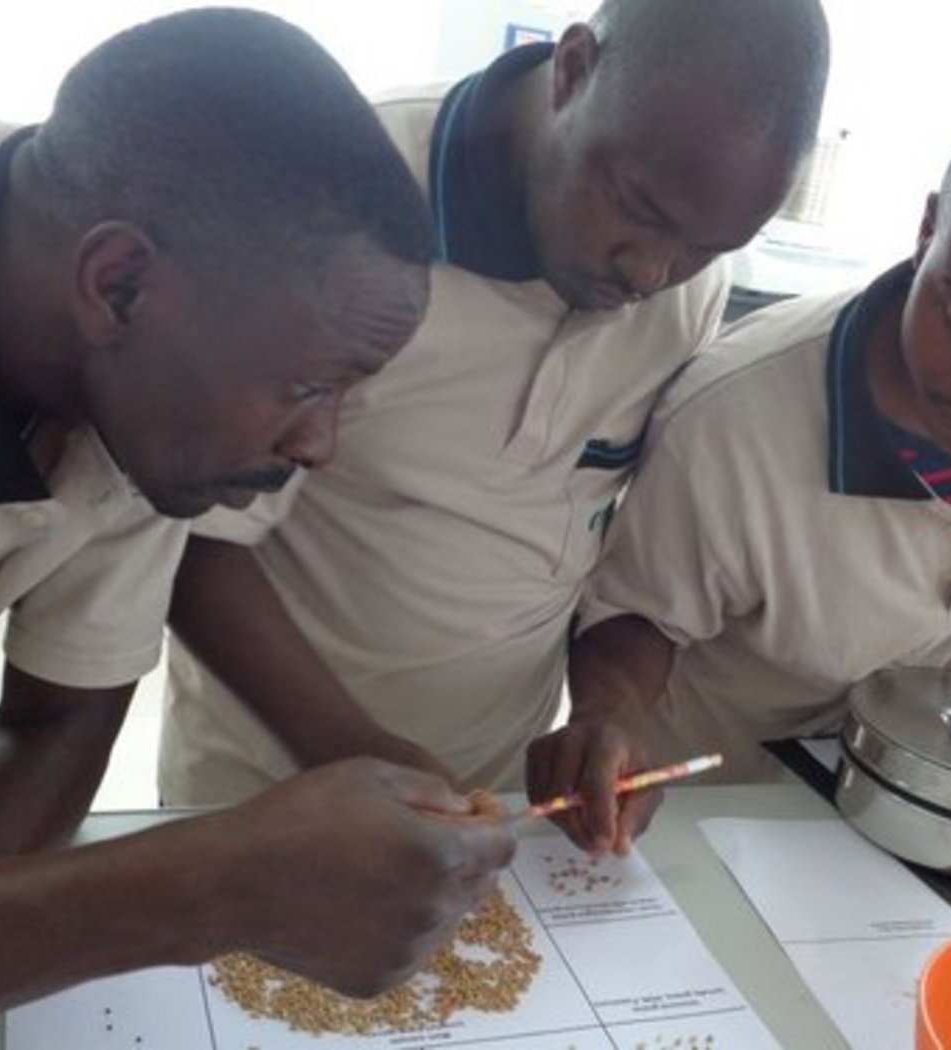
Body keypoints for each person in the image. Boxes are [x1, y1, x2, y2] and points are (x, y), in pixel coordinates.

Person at [0, 9, 513, 1044]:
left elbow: (54, 720)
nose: (318, 447)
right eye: (302, 385)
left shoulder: (142, 381)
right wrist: (211, 888)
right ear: (117, 285)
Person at [525, 66, 951, 855]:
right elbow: (639, 611)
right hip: (709, 814)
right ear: (929, 228)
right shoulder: (732, 418)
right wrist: (609, 718)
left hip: (912, 806)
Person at [159, 0, 832, 806]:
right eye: (641, 211)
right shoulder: (341, 205)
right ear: (574, 70)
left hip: (492, 787)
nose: (652, 274)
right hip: (268, 778)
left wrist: (604, 713)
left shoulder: (685, 293)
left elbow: (588, 536)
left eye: (708, 247)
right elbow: (193, 545)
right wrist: (356, 752)